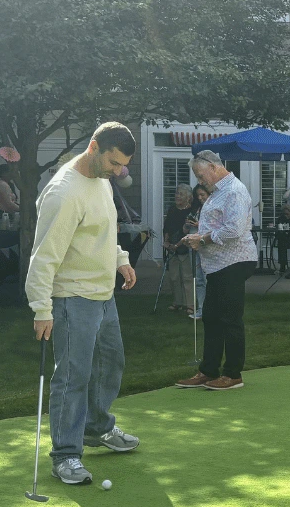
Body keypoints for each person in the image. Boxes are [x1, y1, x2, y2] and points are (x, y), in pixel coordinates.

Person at [24, 122, 141, 486]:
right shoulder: (64, 193)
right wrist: (42, 308)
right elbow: (43, 257)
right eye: (113, 162)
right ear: (94, 147)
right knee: (73, 377)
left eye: (123, 165)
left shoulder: (101, 179)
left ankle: (97, 427)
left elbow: (104, 228)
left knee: (110, 362)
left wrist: (120, 257)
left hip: (103, 293)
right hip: (72, 297)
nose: (118, 171)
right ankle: (66, 455)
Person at [175, 150, 258, 391]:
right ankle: (208, 370)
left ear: (213, 167)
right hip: (218, 265)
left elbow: (233, 230)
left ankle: (233, 374)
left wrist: (202, 240)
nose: (199, 181)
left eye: (201, 175)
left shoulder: (234, 191)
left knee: (229, 318)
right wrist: (199, 237)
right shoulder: (219, 192)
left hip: (234, 261)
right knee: (211, 316)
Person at [162, 184, 194, 312]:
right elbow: (167, 228)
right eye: (176, 193)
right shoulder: (172, 210)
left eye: (180, 194)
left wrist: (177, 245)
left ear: (187, 197)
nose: (177, 196)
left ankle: (190, 304)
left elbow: (187, 231)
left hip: (185, 246)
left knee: (187, 276)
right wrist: (166, 242)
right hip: (171, 247)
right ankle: (177, 302)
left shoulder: (190, 212)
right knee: (174, 276)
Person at [186, 184, 210, 317]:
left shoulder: (213, 208)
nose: (200, 198)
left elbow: (217, 228)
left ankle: (210, 309)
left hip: (206, 247)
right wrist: (187, 224)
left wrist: (199, 224)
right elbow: (186, 228)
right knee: (198, 279)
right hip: (193, 247)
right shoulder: (196, 209)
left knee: (207, 278)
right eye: (198, 195)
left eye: (203, 195)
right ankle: (201, 308)